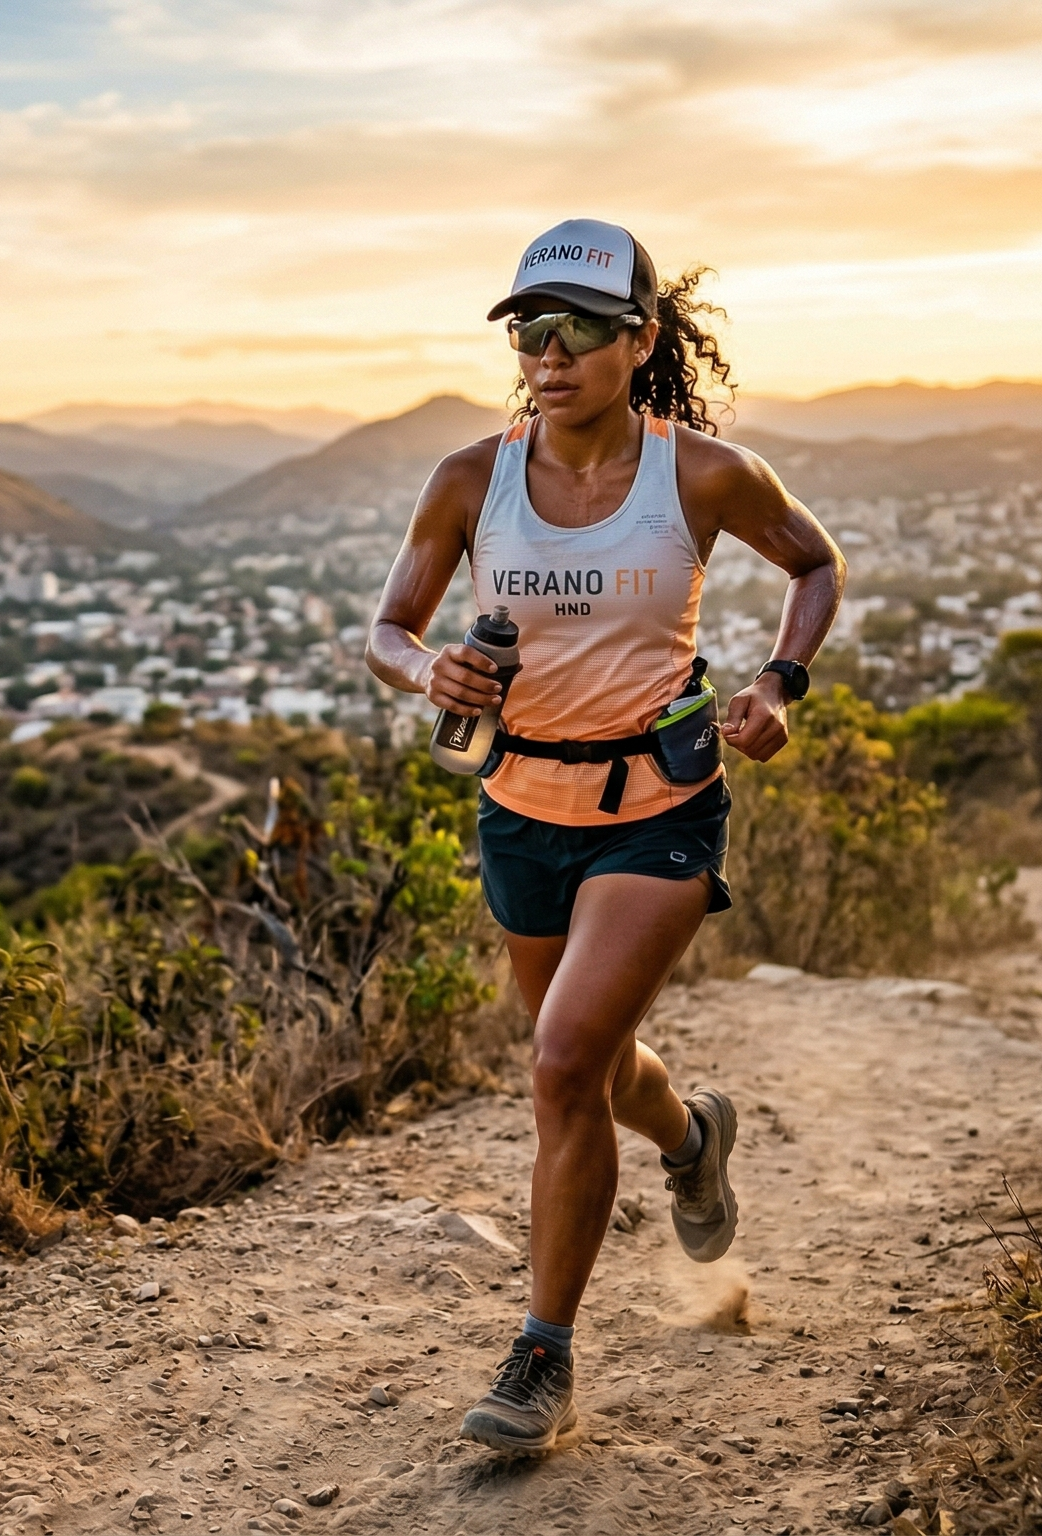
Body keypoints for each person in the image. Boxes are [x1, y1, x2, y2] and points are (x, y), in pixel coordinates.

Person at [364, 218, 844, 1454]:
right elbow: (386, 629)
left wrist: (778, 683)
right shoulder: (472, 477)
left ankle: (542, 1360)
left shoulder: (701, 475)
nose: (546, 350)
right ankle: (692, 1137)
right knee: (594, 1062)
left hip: (659, 807)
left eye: (575, 327)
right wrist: (427, 677)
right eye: (527, 327)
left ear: (637, 340)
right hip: (520, 812)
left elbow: (812, 562)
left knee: (561, 1064)